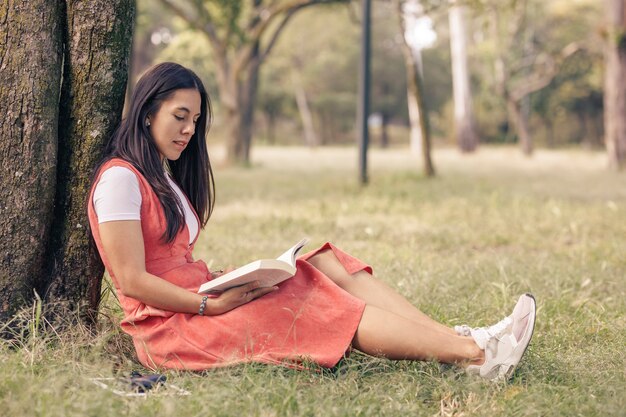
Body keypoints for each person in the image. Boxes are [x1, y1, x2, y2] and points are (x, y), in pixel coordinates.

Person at [87, 62, 536, 381]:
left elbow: (175, 261)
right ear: (147, 112)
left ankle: (462, 338)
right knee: (308, 295)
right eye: (178, 117)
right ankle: (476, 355)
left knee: (325, 263)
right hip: (171, 328)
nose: (188, 130)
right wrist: (210, 304)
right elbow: (132, 279)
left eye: (196, 120)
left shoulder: (158, 176)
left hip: (200, 300)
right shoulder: (119, 180)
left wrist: (224, 283)